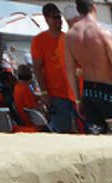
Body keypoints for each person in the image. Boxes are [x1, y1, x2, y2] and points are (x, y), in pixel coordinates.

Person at [63, 0, 112, 134]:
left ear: (78, 10)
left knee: (97, 137)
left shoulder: (70, 36)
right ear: (95, 8)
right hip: (107, 93)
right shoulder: (103, 32)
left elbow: (70, 70)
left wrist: (78, 99)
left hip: (88, 93)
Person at [30, 3, 76, 132]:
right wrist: (44, 93)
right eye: (54, 17)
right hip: (56, 95)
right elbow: (37, 68)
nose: (58, 20)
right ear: (46, 19)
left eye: (59, 17)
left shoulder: (67, 38)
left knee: (81, 130)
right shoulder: (39, 41)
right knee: (62, 131)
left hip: (73, 93)